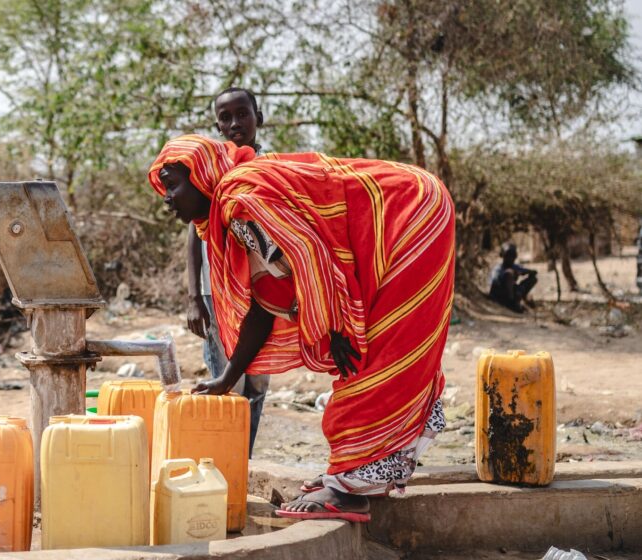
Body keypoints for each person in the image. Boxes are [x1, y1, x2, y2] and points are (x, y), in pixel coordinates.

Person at [148, 134, 454, 522]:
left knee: (377, 358)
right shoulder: (237, 210)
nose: (167, 197)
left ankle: (349, 490)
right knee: (372, 356)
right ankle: (358, 475)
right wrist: (228, 377)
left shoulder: (241, 202)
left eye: (172, 183)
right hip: (404, 211)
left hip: (407, 213)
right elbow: (264, 304)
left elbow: (310, 253)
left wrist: (337, 324)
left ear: (202, 176)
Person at [186, 87, 268, 457]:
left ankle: (243, 466)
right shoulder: (212, 170)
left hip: (266, 296)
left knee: (257, 384)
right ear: (217, 124)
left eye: (242, 113)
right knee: (225, 384)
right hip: (216, 294)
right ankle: (221, 468)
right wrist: (193, 297)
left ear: (258, 116)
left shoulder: (274, 168)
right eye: (226, 117)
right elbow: (194, 230)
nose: (235, 123)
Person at [488, 243, 537, 313]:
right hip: (500, 293)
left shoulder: (514, 267)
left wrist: (521, 273)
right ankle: (511, 303)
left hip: (511, 291)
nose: (511, 258)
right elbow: (495, 283)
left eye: (513, 255)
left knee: (533, 279)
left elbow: (532, 272)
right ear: (503, 256)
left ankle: (521, 298)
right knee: (509, 273)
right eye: (508, 255)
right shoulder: (498, 269)